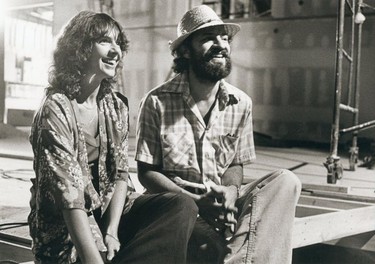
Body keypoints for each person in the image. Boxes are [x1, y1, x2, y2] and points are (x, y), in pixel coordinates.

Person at [135, 5, 302, 264]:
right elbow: (146, 172)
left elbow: (235, 163)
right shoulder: (157, 101)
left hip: (222, 202)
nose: (220, 44)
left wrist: (232, 192)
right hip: (180, 206)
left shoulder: (241, 103)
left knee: (286, 181)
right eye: (208, 38)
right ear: (185, 51)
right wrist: (196, 201)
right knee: (212, 246)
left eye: (224, 38)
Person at [28, 11, 197, 264]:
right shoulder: (56, 108)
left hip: (110, 215)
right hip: (67, 230)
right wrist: (94, 258)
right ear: (80, 48)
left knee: (181, 206)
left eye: (119, 43)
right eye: (105, 41)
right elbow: (69, 197)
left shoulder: (115, 105)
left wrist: (111, 231)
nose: (116, 51)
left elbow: (120, 174)